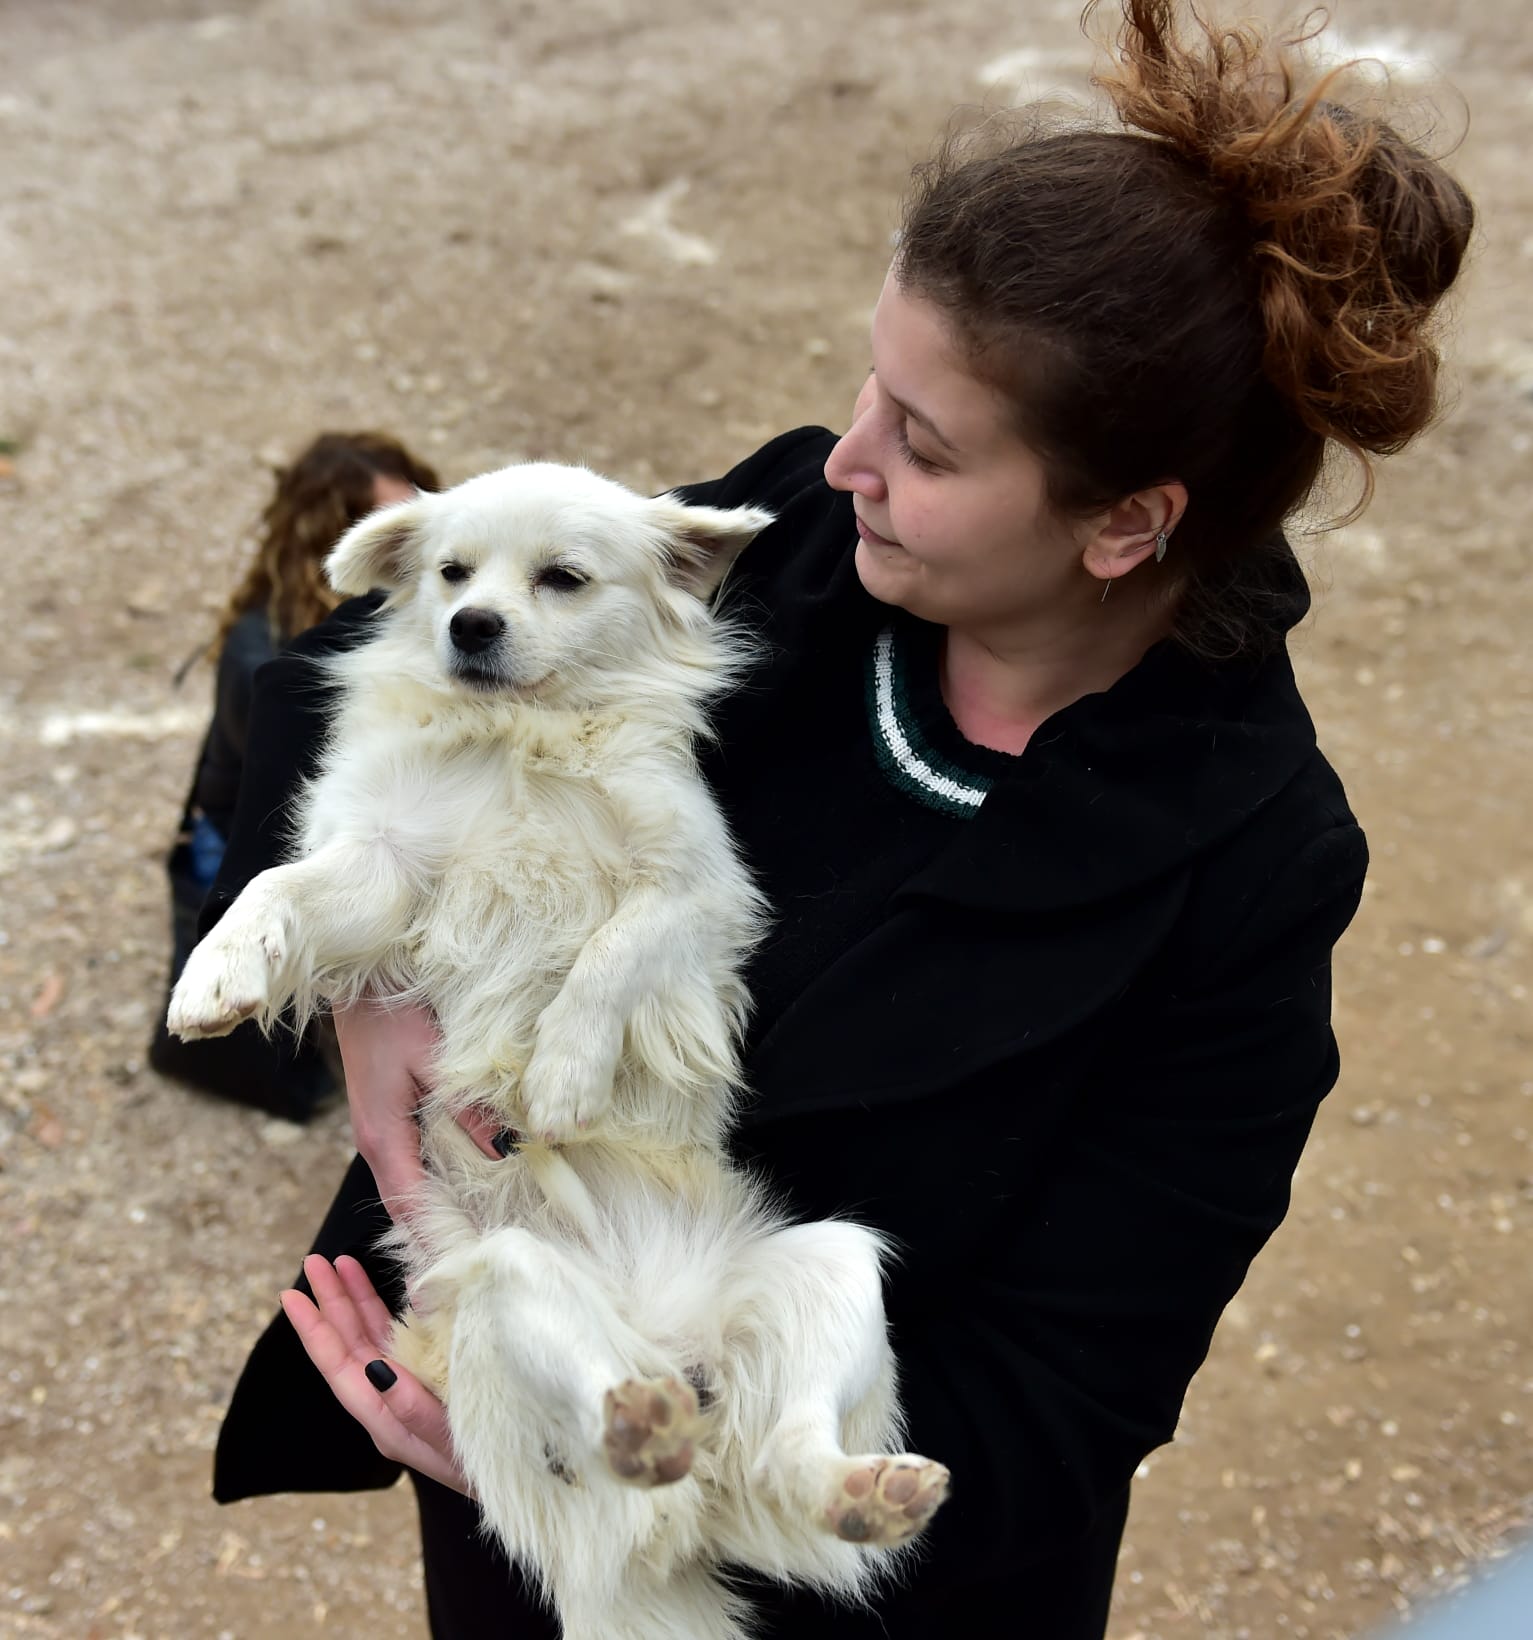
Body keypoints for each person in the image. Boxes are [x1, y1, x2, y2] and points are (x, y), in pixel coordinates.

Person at [200, 4, 1474, 1634]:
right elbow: (320, 686)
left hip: (829, 1586)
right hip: (513, 1440)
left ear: (1123, 525)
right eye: (872, 384)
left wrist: (650, 1475)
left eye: (923, 444)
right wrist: (373, 986)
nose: (849, 457)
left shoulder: (1249, 866)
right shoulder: (801, 544)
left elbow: (1064, 1399)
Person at [148, 431, 441, 1120]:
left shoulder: (388, 615)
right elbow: (306, 815)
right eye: (388, 525)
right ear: (332, 539)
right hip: (256, 831)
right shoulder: (270, 663)